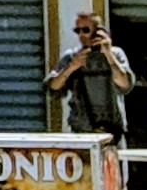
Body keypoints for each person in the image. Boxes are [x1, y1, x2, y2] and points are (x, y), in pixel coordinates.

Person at [47, 12, 134, 143]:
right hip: (82, 129)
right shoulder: (72, 56)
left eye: (86, 30)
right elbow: (52, 87)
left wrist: (109, 55)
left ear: (98, 31)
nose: (81, 35)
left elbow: (125, 84)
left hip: (112, 130)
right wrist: (71, 67)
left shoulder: (116, 54)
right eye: (78, 30)